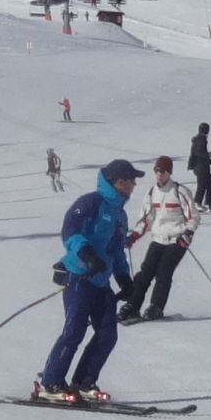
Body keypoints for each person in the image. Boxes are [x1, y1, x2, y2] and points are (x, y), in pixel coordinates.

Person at [37, 159, 144, 403]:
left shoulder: (120, 215)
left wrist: (124, 278)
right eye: (129, 180)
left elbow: (117, 250)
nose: (133, 185)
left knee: (107, 334)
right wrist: (86, 254)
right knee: (74, 330)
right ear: (115, 181)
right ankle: (50, 383)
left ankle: (84, 382)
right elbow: (70, 232)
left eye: (133, 180)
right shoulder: (90, 203)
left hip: (100, 281)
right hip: (79, 276)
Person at [117, 156, 200, 322]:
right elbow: (146, 219)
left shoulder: (180, 191)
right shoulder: (151, 193)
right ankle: (133, 306)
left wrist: (187, 234)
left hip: (177, 239)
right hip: (158, 238)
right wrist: (134, 236)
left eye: (163, 171)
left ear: (169, 172)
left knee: (163, 273)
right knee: (144, 274)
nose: (160, 174)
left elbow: (194, 217)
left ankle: (156, 306)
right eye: (157, 171)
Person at [188, 122, 211, 212]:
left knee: (210, 184)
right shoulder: (201, 140)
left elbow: (202, 153)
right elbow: (201, 155)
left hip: (200, 166)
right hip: (200, 167)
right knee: (203, 185)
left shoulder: (200, 139)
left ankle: (209, 204)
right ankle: (197, 204)